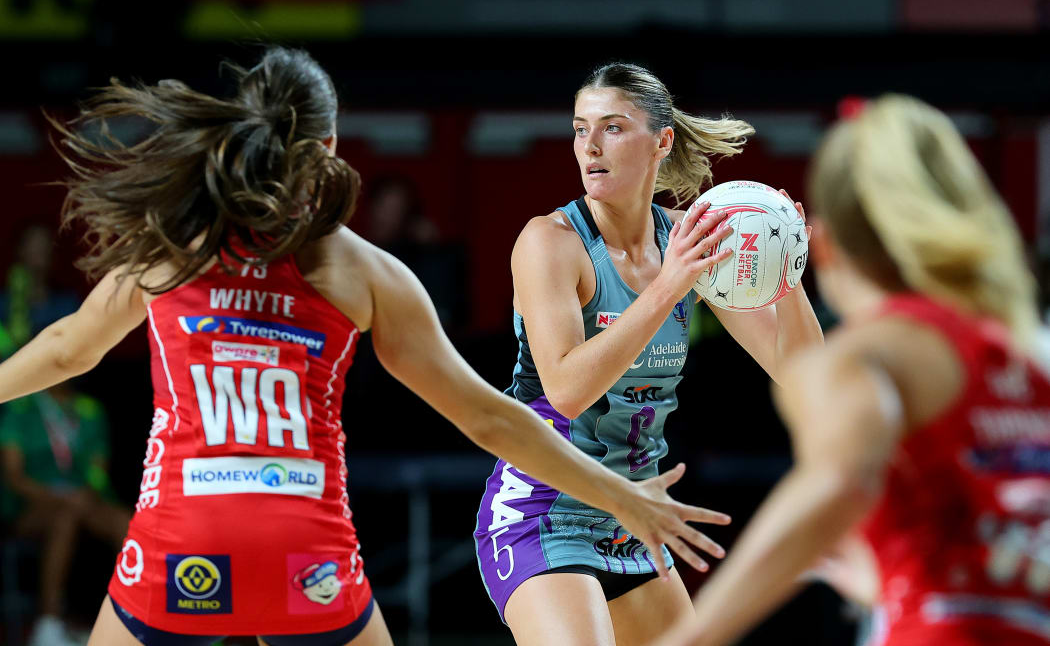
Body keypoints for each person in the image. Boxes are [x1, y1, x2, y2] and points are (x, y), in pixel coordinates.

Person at [1, 47, 731, 646]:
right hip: (306, 551)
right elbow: (490, 417)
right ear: (328, 145)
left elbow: (68, 349)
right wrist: (622, 497)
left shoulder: (174, 248)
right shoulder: (363, 270)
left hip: (184, 534)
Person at [650, 94, 1050, 646]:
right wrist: (890, 577)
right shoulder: (1030, 354)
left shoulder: (862, 359)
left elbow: (839, 484)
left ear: (829, 246)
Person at [473, 62, 823, 646]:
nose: (590, 146)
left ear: (662, 142)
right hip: (543, 509)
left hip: (635, 515)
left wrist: (783, 271)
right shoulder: (550, 242)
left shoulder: (684, 239)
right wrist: (669, 285)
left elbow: (804, 374)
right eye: (581, 129)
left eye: (612, 127)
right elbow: (565, 389)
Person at [1, 383, 130, 646]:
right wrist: (58, 497)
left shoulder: (90, 409)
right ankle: (48, 624)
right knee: (64, 518)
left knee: (127, 522)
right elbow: (14, 476)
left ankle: (132, 618)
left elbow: (98, 471)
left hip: (82, 500)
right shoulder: (20, 406)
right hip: (33, 506)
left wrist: (87, 492)